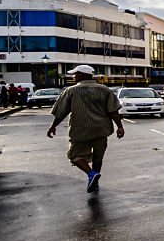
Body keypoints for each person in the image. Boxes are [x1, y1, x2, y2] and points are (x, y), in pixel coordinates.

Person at [46, 65, 125, 193]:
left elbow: (61, 112)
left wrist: (53, 126)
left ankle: (91, 174)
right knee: (98, 158)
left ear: (82, 75)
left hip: (80, 130)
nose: (73, 76)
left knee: (75, 156)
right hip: (101, 129)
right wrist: (120, 127)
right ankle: (94, 181)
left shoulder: (71, 91)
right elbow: (113, 111)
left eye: (75, 74)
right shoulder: (104, 90)